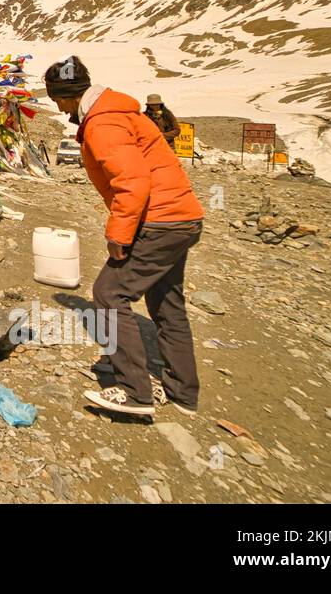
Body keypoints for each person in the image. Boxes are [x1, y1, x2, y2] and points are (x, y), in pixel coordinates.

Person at [44, 56, 205, 418]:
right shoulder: (118, 111)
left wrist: (119, 233)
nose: (59, 108)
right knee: (166, 303)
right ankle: (183, 391)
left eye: (58, 101)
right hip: (182, 217)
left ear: (68, 97)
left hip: (159, 221)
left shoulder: (103, 123)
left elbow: (132, 182)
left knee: (109, 293)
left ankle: (135, 392)